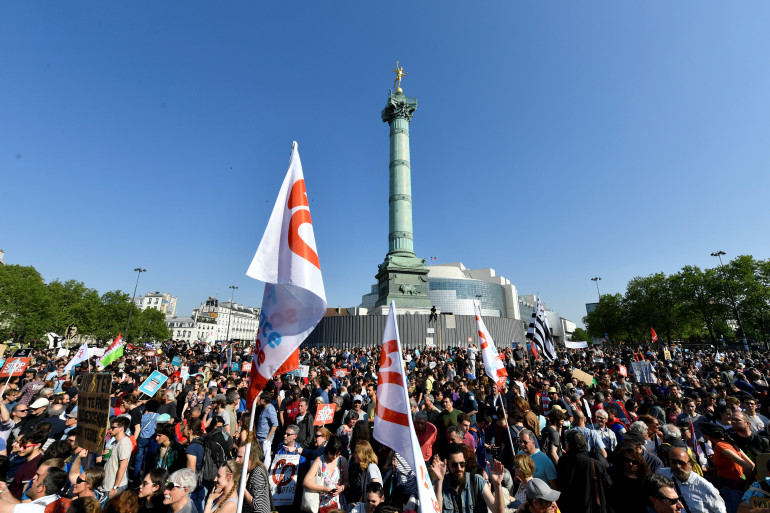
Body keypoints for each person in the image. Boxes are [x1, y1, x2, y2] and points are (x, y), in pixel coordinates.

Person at [431, 443, 506, 513]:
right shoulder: (439, 484)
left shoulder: (477, 481)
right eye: (454, 465)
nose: (459, 468)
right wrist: (439, 481)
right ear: (447, 465)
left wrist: (497, 484)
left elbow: (498, 511)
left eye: (462, 464)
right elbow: (436, 511)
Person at [556, 430, 611, 513]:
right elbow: (608, 485)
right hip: (591, 507)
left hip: (569, 507)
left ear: (569, 444)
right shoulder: (596, 465)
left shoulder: (563, 461)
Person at [657, 447, 726, 513]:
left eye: (682, 463)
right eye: (673, 462)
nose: (677, 466)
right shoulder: (662, 474)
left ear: (691, 465)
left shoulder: (706, 488)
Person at [302, 436, 348, 511]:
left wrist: (341, 488)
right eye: (332, 454)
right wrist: (323, 489)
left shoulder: (342, 460)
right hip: (322, 505)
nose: (335, 456)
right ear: (328, 450)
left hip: (338, 504)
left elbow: (346, 482)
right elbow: (306, 482)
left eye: (337, 454)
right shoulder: (320, 460)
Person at [0, 467, 69, 513]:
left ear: (41, 488)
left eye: (38, 477)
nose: (33, 478)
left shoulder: (37, 509)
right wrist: (4, 491)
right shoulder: (55, 500)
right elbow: (20, 507)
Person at [609, 445, 650, 513]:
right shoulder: (614, 474)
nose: (630, 464)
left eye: (634, 461)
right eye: (627, 460)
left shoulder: (645, 477)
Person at [100, 416, 132, 500]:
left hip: (114, 486)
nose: (110, 430)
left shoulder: (124, 443)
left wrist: (115, 487)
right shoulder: (113, 441)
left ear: (121, 428)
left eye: (113, 428)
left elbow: (123, 465)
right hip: (107, 483)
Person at [242, 433, 271, 513]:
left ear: (250, 458)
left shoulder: (257, 472)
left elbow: (257, 505)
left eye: (240, 457)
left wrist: (243, 489)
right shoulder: (248, 471)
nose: (236, 460)